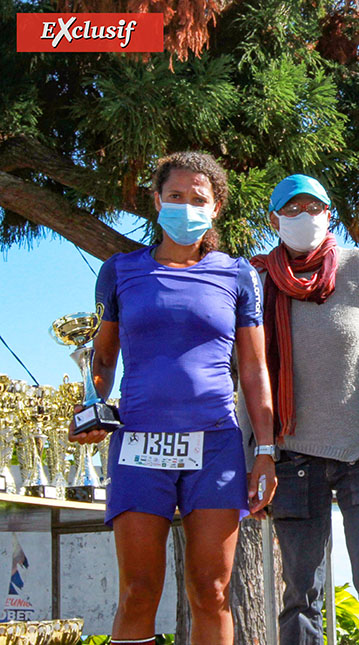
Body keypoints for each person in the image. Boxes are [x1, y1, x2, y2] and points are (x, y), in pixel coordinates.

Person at [70, 151, 277, 645]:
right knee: (138, 592)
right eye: (176, 196)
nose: (186, 206)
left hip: (215, 447)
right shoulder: (119, 272)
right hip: (140, 445)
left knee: (212, 591)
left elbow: (253, 368)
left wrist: (266, 450)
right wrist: (91, 409)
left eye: (198, 199)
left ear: (216, 207)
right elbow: (101, 360)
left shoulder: (238, 275)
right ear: (157, 201)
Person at [240, 175, 359, 644]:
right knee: (300, 594)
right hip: (290, 457)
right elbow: (249, 377)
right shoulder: (256, 283)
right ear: (274, 220)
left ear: (329, 214)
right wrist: (255, 452)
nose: (303, 217)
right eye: (291, 210)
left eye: (313, 207)